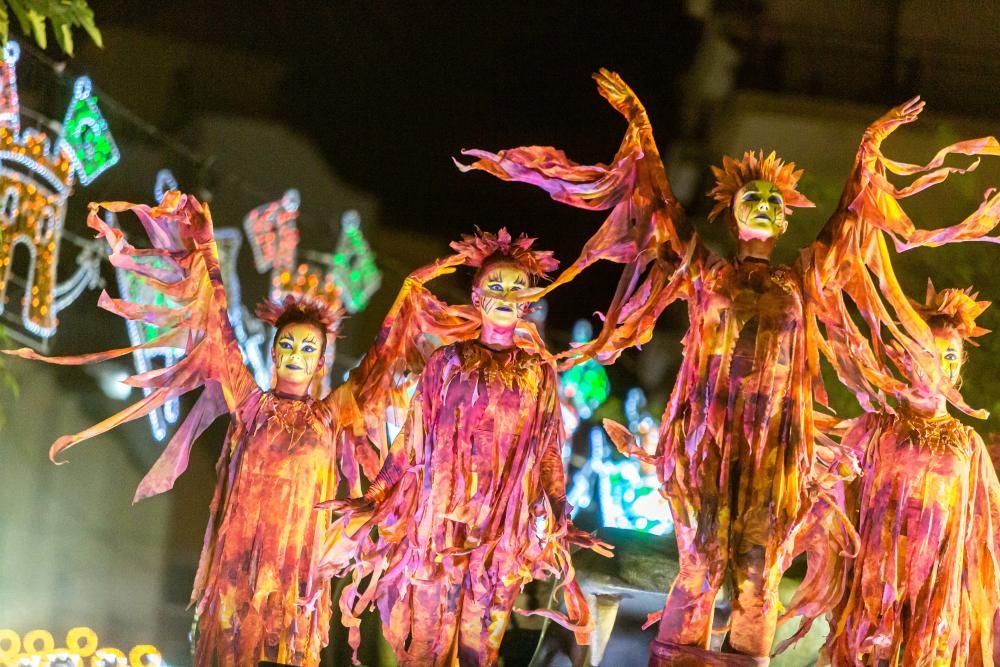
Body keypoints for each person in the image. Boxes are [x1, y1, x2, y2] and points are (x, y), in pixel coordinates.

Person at [458, 70, 1000, 664]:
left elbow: (851, 222)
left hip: (775, 454)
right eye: (752, 197)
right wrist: (639, 124)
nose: (764, 204)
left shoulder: (803, 281)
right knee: (700, 564)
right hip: (707, 451)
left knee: (759, 576)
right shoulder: (707, 275)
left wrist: (870, 147)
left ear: (786, 220)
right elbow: (659, 210)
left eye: (773, 200)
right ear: (731, 214)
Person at [317, 228, 611, 666]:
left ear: (528, 300)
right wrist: (376, 494)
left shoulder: (537, 373)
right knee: (427, 648)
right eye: (496, 285)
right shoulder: (447, 362)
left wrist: (558, 509)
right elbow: (411, 439)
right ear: (477, 296)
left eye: (516, 287)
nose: (506, 295)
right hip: (439, 526)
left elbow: (549, 450)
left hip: (500, 534)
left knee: (481, 650)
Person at [823, 283, 1000, 665]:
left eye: (950, 356)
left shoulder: (968, 445)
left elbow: (993, 526)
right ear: (905, 358)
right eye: (928, 352)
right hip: (875, 584)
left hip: (936, 590)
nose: (939, 364)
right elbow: (828, 495)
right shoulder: (875, 429)